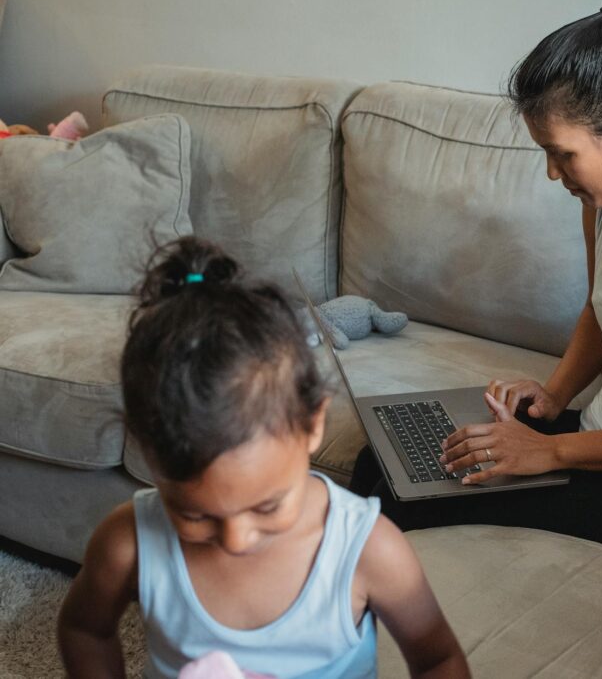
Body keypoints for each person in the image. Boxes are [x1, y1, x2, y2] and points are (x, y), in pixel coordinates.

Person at [351, 0, 602, 549]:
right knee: (381, 459)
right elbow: (600, 308)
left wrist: (549, 449)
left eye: (564, 154)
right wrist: (552, 397)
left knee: (400, 501)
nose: (553, 172)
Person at [57, 238, 469, 679]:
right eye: (194, 514)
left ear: (312, 424)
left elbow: (438, 660)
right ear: (148, 454)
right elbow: (84, 630)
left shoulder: (367, 550)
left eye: (268, 505)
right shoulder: (129, 542)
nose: (236, 540)